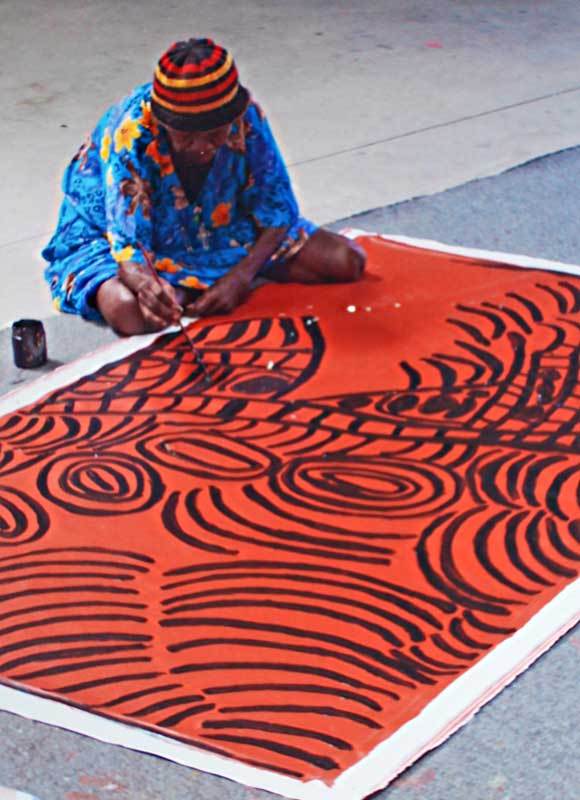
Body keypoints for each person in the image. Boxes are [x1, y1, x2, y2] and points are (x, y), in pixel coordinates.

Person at [43, 38, 366, 335]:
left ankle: (190, 285)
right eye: (186, 137)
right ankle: (182, 287)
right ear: (163, 123)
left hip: (224, 228)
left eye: (214, 135)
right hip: (117, 236)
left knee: (347, 261)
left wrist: (240, 278)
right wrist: (149, 287)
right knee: (128, 311)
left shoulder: (246, 115)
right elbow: (129, 249)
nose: (202, 148)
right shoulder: (132, 133)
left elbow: (278, 211)